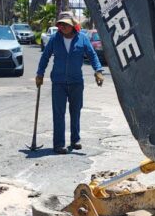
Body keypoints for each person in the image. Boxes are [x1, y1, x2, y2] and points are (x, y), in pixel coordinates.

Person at [36, 12, 104, 154]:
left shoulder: (82, 38)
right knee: (58, 113)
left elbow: (92, 55)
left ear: (73, 24)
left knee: (75, 111)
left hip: (76, 82)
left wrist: (98, 70)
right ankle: (59, 144)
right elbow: (45, 56)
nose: (62, 27)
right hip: (58, 82)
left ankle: (75, 140)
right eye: (60, 24)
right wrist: (40, 73)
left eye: (65, 24)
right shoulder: (54, 39)